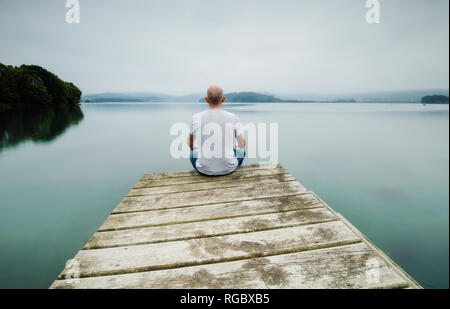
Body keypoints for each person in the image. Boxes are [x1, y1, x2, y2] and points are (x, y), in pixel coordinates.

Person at [188, 85, 246, 176]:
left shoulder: (196, 117)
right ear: (223, 99)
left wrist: (196, 148)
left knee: (192, 152)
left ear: (206, 99)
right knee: (241, 150)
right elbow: (242, 143)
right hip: (229, 168)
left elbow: (191, 144)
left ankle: (205, 165)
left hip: (203, 169)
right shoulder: (233, 118)